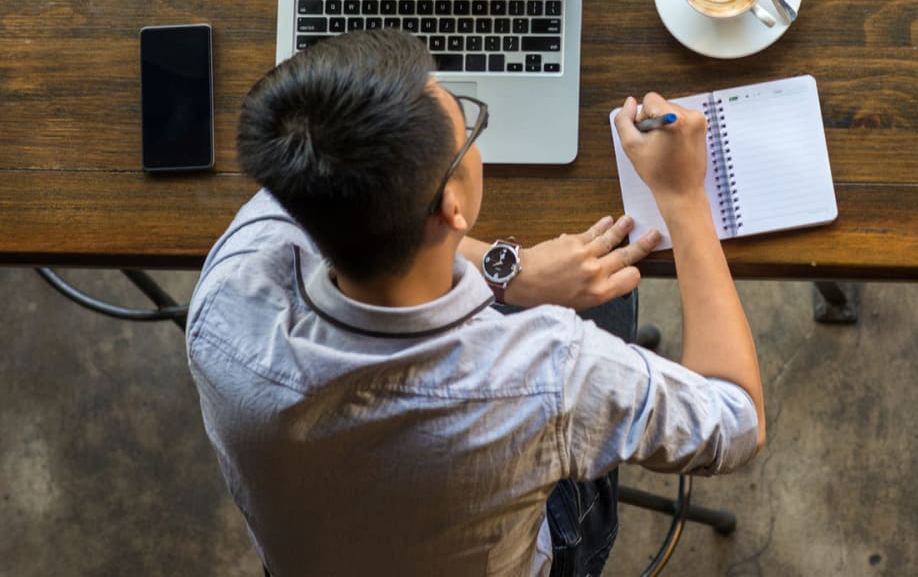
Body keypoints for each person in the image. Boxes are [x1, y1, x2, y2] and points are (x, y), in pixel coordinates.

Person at [186, 28, 764, 577]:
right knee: (609, 307)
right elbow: (738, 423)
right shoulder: (551, 370)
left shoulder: (227, 292)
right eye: (467, 124)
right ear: (453, 210)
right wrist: (683, 197)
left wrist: (511, 272)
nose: (468, 125)